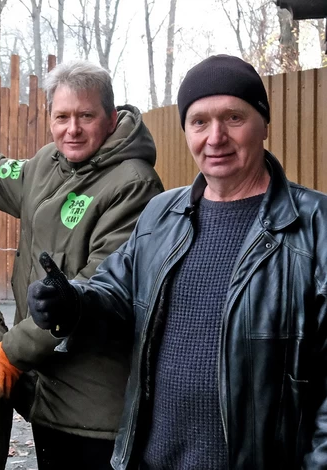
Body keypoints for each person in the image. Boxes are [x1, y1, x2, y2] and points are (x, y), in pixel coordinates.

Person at [27, 54, 327, 469]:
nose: (215, 137)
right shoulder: (162, 214)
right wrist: (72, 304)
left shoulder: (316, 226)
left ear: (263, 123)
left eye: (234, 118)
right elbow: (115, 293)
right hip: (154, 459)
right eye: (199, 121)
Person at [0, 61, 163, 468]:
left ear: (111, 118)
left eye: (86, 116)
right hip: (47, 397)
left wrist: (16, 347)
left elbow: (97, 285)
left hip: (96, 411)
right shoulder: (47, 165)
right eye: (62, 117)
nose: (73, 129)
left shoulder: (132, 184)